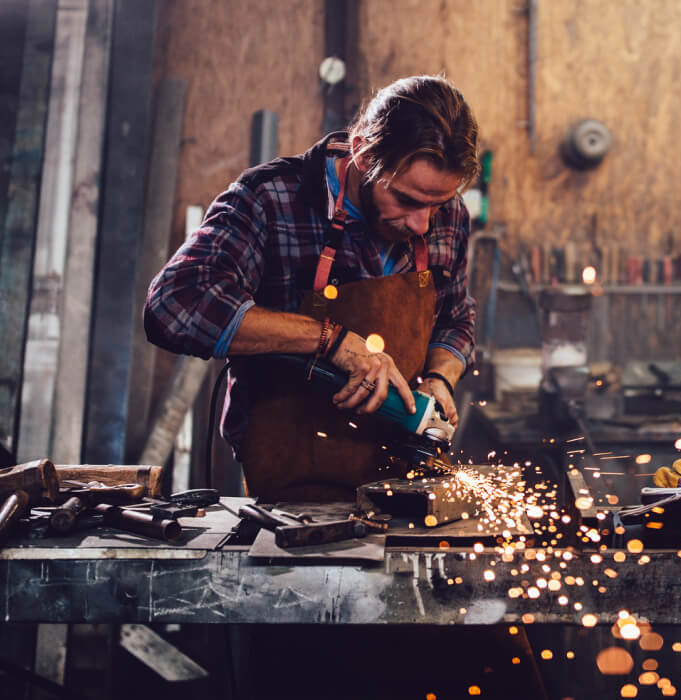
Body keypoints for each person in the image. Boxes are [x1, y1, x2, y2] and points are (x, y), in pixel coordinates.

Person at [145, 75, 479, 501]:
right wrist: (330, 341)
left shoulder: (448, 215)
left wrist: (439, 377)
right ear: (362, 152)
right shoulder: (270, 199)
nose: (424, 223)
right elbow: (175, 304)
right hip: (289, 492)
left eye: (437, 204)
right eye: (408, 200)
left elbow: (456, 317)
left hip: (403, 491)